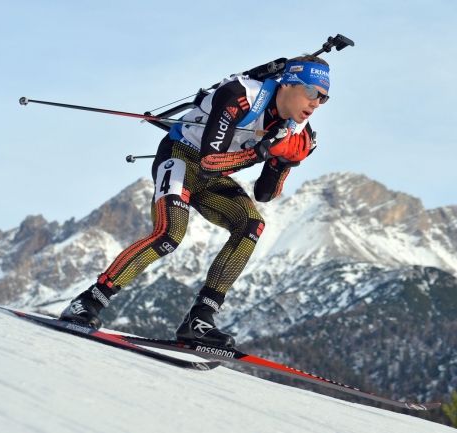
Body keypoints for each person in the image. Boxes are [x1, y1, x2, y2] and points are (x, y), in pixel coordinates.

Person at [59, 55, 331, 348]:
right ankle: (86, 302)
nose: (316, 103)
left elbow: (264, 194)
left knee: (252, 224)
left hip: (214, 175)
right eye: (313, 93)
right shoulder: (241, 95)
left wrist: (283, 162)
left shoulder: (299, 131)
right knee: (169, 234)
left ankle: (199, 320)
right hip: (181, 156)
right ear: (288, 84)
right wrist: (259, 153)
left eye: (324, 99)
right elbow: (209, 161)